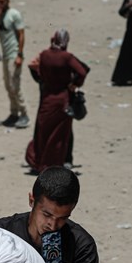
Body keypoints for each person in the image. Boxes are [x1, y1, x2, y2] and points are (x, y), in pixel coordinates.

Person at [25, 29, 87, 174]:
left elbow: (35, 69)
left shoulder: (44, 55)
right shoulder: (67, 57)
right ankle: (57, 163)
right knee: (59, 134)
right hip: (62, 99)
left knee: (44, 131)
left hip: (46, 98)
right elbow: (82, 72)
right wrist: (75, 84)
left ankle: (40, 161)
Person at [0, 0, 29, 128]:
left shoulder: (14, 14)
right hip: (5, 56)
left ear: (8, 1)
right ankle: (14, 113)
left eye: (2, 1)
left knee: (15, 86)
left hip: (14, 54)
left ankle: (24, 113)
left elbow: (21, 35)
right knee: (8, 86)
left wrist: (20, 54)